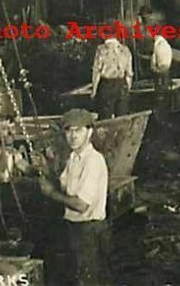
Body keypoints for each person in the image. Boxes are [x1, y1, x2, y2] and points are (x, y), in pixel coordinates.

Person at [38, 109, 110, 286]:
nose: (73, 136)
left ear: (90, 132)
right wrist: (46, 170)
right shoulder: (73, 158)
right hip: (75, 230)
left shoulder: (93, 161)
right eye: (68, 130)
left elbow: (81, 205)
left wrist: (50, 193)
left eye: (78, 130)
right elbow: (65, 188)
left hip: (89, 232)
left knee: (89, 281)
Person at [91, 36, 133, 119]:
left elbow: (97, 72)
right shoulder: (125, 50)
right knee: (122, 116)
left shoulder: (101, 50)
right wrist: (127, 88)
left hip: (107, 85)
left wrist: (94, 90)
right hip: (122, 84)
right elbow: (129, 73)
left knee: (105, 116)